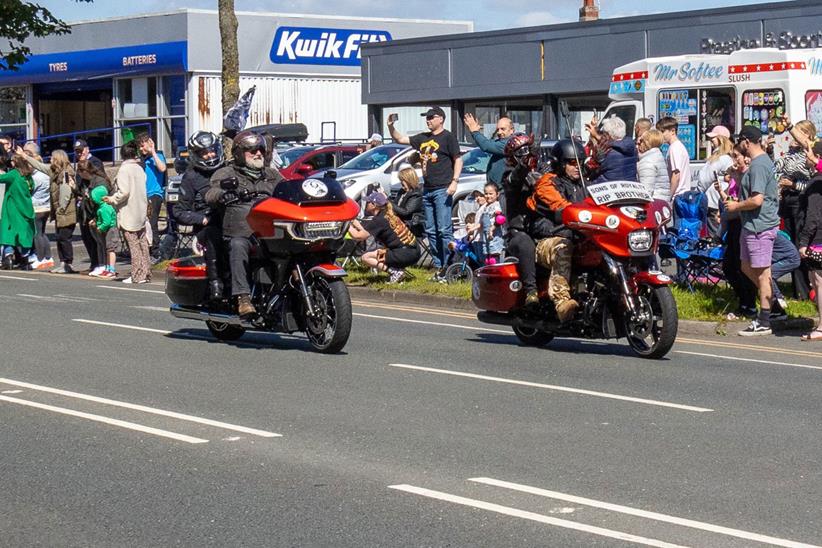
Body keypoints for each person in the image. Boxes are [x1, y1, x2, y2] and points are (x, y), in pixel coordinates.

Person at [205, 130, 282, 317]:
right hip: (242, 233)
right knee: (238, 245)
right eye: (252, 150)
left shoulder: (272, 174)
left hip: (272, 233)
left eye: (261, 150)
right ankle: (243, 298)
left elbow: (288, 189)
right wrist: (224, 194)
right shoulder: (225, 173)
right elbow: (211, 193)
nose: (258, 154)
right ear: (239, 154)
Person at [388, 107, 463, 280]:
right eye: (426, 118)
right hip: (427, 189)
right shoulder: (423, 138)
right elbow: (399, 138)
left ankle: (451, 266)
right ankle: (439, 267)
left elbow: (458, 159)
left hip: (443, 188)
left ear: (441, 119)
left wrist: (455, 181)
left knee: (444, 229)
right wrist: (390, 125)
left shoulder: (448, 137)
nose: (428, 120)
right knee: (431, 229)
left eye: (431, 117)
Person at [724, 125, 780, 336]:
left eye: (740, 143)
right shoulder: (758, 163)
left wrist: (736, 206)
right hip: (751, 225)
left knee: (762, 273)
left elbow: (757, 199)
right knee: (746, 267)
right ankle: (775, 299)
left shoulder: (758, 165)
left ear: (746, 142)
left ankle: (765, 319)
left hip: (760, 226)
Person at [526, 139, 587, 322]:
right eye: (571, 162)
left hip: (578, 235)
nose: (577, 167)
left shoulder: (584, 184)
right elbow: (561, 206)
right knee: (564, 246)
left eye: (580, 163)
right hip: (546, 240)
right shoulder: (547, 183)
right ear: (560, 163)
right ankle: (562, 303)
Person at [173, 131, 225, 300]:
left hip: (232, 221)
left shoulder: (227, 170)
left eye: (212, 150)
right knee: (213, 237)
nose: (210, 155)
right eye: (204, 152)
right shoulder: (191, 177)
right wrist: (202, 219)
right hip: (209, 227)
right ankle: (215, 284)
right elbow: (179, 211)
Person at [774, 117, 816, 300]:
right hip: (787, 201)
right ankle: (797, 289)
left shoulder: (810, 153)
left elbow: (810, 184)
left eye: (798, 132)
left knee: (801, 244)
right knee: (790, 243)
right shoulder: (791, 152)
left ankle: (805, 291)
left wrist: (792, 184)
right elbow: (778, 168)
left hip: (801, 201)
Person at [718, 144, 757, 321]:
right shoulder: (735, 175)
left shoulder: (748, 174)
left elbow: (746, 197)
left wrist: (737, 175)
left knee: (743, 266)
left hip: (743, 222)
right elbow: (729, 197)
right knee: (729, 266)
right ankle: (743, 300)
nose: (734, 161)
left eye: (736, 156)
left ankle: (749, 304)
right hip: (732, 222)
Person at [501, 132, 540, 305]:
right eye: (521, 152)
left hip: (541, 225)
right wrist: (523, 166)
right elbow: (514, 179)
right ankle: (531, 291)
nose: (526, 155)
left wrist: (593, 164)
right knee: (526, 244)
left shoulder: (543, 171)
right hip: (519, 231)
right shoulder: (508, 176)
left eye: (528, 150)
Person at [348, 191, 420, 283]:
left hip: (403, 254)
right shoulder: (388, 214)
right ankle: (397, 269)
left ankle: (394, 272)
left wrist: (345, 224)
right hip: (413, 251)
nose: (366, 204)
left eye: (368, 202)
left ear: (374, 205)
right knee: (375, 253)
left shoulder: (378, 220)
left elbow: (358, 236)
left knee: (366, 257)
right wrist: (352, 221)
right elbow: (365, 232)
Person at [104, 140, 150, 284]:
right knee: (143, 243)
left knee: (133, 245)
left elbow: (124, 192)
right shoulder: (139, 168)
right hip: (141, 210)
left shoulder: (124, 170)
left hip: (129, 211)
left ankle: (136, 274)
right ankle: (146, 272)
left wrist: (112, 199)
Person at [798, 141, 822, 341]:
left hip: (818, 239)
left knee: (818, 281)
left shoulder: (815, 183)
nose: (805, 157)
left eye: (808, 154)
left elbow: (813, 216)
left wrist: (804, 241)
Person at [695, 126, 734, 238]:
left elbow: (705, 179)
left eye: (713, 138)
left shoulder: (721, 158)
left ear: (721, 139)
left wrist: (698, 193)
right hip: (718, 201)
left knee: (714, 235)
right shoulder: (728, 158)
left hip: (713, 202)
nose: (711, 141)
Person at [20, 142, 54, 270]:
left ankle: (40, 258)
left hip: (37, 207)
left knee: (37, 234)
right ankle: (48, 257)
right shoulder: (45, 172)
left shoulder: (36, 176)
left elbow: (29, 190)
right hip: (45, 206)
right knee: (43, 233)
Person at [77, 159, 112, 276]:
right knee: (93, 242)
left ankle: (104, 265)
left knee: (102, 243)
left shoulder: (100, 182)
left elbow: (100, 202)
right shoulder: (84, 181)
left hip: (98, 215)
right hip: (88, 214)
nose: (79, 175)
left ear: (85, 171)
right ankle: (97, 264)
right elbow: (81, 194)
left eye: (80, 172)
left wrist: (96, 219)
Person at [0, 154, 35, 269]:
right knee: (24, 234)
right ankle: (25, 259)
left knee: (8, 233)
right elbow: (32, 189)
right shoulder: (28, 176)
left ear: (15, 163)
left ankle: (8, 258)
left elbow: (1, 179)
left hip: (12, 208)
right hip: (26, 208)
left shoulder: (14, 174)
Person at [135, 133, 167, 260]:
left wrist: (152, 151)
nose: (142, 149)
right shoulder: (141, 160)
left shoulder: (157, 156)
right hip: (142, 194)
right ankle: (146, 248)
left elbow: (163, 168)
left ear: (150, 143)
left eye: (143, 146)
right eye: (140, 147)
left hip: (154, 194)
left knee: (152, 222)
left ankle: (156, 250)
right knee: (143, 223)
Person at [47, 150, 79, 274]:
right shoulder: (55, 172)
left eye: (52, 157)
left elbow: (66, 193)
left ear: (57, 159)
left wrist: (61, 208)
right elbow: (40, 166)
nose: (50, 159)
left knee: (64, 238)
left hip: (66, 213)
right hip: (59, 213)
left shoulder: (65, 173)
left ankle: (68, 263)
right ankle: (62, 263)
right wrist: (25, 156)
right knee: (59, 237)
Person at [463, 113, 515, 188]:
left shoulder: (509, 143)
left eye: (503, 129)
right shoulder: (501, 141)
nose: (499, 132)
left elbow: (486, 146)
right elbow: (486, 143)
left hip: (504, 189)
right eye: (498, 129)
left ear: (511, 130)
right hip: (496, 189)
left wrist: (475, 132)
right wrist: (476, 133)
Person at [586, 116, 637, 183]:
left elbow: (593, 168)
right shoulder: (632, 147)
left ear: (608, 135)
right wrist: (595, 133)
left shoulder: (609, 153)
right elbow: (611, 143)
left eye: (604, 134)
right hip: (628, 185)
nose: (602, 136)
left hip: (609, 187)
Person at [657, 116, 692, 202]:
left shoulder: (674, 148)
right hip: (682, 195)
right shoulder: (677, 147)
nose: (660, 135)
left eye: (662, 131)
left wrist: (668, 197)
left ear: (672, 131)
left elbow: (676, 175)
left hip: (678, 196)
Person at [89, 185, 119, 279]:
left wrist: (100, 227)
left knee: (111, 249)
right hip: (108, 230)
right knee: (107, 249)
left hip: (111, 230)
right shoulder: (101, 208)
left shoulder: (105, 208)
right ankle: (107, 268)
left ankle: (111, 269)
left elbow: (107, 221)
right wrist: (96, 221)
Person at [473, 182, 505, 263]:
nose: (488, 196)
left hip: (494, 234)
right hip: (486, 236)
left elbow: (500, 218)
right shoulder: (485, 207)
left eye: (491, 194)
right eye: (486, 194)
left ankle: (497, 273)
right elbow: (483, 221)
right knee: (487, 258)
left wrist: (492, 228)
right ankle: (490, 273)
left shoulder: (496, 205)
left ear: (497, 194)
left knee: (493, 257)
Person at [636, 129, 670, 202]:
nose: (638, 142)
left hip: (653, 204)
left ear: (647, 143)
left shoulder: (647, 162)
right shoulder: (658, 156)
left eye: (641, 141)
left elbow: (646, 192)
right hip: (662, 202)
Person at [389, 166, 423, 234]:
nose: (401, 183)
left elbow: (406, 212)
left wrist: (388, 202)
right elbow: (395, 204)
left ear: (409, 180)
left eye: (402, 181)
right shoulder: (402, 191)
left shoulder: (416, 194)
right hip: (399, 222)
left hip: (410, 224)